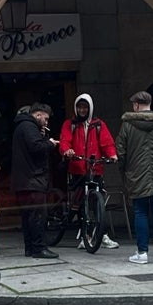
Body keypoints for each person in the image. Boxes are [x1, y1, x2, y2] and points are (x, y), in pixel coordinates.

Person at [115, 91, 153, 265]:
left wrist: (125, 170)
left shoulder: (127, 125)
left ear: (136, 105)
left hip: (136, 174)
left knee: (140, 212)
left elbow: (121, 151)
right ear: (150, 104)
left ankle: (142, 252)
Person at [59, 93, 120, 250]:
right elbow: (64, 141)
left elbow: (107, 143)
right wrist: (67, 151)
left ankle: (101, 234)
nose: (82, 110)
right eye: (79, 107)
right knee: (80, 203)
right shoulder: (70, 124)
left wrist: (112, 154)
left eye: (85, 107)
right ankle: (85, 235)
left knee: (96, 202)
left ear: (90, 108)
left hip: (95, 168)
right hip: (77, 167)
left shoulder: (98, 125)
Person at [11, 102, 60, 260]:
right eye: (45, 119)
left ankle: (30, 248)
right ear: (37, 115)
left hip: (23, 181)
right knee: (38, 216)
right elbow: (37, 148)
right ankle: (39, 248)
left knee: (28, 217)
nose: (46, 122)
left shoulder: (21, 126)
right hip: (33, 180)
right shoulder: (29, 127)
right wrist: (50, 143)